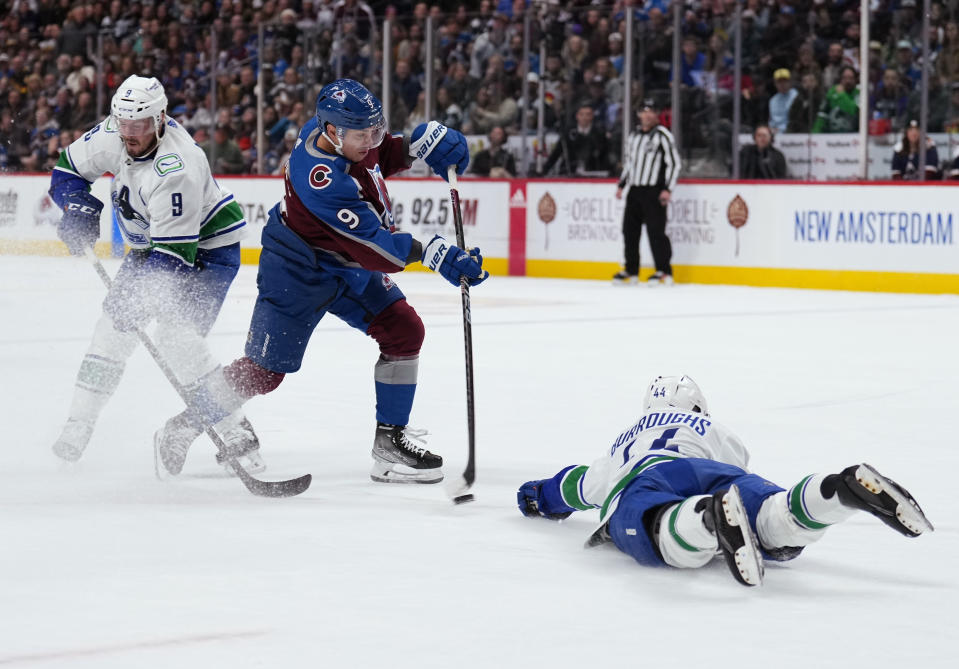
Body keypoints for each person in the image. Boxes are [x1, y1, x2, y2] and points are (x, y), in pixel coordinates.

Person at [153, 79, 486, 485]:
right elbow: (377, 249)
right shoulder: (320, 179)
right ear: (331, 131)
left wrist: (416, 146)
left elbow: (377, 156)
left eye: (374, 129)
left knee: (404, 330)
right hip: (295, 270)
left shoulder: (341, 135)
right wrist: (436, 253)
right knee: (265, 371)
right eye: (362, 134)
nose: (371, 140)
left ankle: (389, 443)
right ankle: (182, 426)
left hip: (343, 262)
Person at [517, 375, 933, 587]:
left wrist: (538, 496)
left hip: (647, 478)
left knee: (651, 527)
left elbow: (575, 486)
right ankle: (838, 491)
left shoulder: (626, 441)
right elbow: (740, 473)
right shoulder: (712, 427)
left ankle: (704, 518)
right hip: (715, 472)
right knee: (773, 515)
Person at [49, 75, 264, 474]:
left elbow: (174, 258)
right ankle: (79, 422)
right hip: (154, 246)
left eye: (140, 126)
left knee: (178, 339)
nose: (130, 134)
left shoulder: (177, 166)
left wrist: (140, 301)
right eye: (124, 125)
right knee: (111, 332)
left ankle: (236, 429)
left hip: (208, 252)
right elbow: (67, 170)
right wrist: (76, 203)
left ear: (160, 119)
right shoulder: (115, 130)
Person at [613, 99, 680, 286]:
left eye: (651, 111)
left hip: (654, 190)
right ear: (639, 114)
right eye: (644, 111)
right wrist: (621, 185)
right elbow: (630, 163)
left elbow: (674, 163)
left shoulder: (663, 135)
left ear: (656, 115)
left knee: (656, 231)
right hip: (635, 189)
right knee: (629, 231)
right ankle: (631, 270)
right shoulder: (633, 136)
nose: (647, 115)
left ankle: (664, 270)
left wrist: (667, 188)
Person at [540, 103, 610, 176]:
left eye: (588, 114)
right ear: (577, 116)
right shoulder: (568, 133)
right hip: (569, 171)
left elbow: (604, 155)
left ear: (592, 116)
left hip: (592, 173)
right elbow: (556, 154)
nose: (584, 117)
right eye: (581, 114)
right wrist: (544, 171)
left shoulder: (599, 133)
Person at [813, 65, 859, 133]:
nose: (848, 81)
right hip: (832, 136)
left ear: (855, 80)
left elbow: (853, 110)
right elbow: (822, 114)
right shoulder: (832, 92)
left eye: (851, 78)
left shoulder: (859, 94)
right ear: (840, 79)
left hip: (852, 135)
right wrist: (815, 134)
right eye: (844, 78)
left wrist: (841, 94)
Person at [768, 68, 797, 134]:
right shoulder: (772, 100)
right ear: (775, 84)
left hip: (792, 133)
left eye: (785, 81)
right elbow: (771, 120)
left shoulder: (796, 96)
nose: (782, 84)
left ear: (790, 82)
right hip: (774, 133)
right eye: (779, 81)